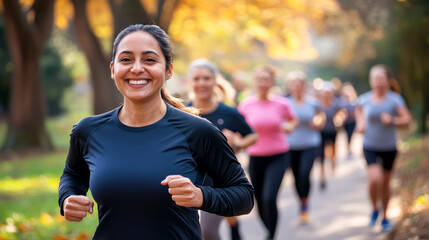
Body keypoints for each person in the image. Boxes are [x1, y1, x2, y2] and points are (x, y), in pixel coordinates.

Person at [58, 24, 254, 240]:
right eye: (126, 59)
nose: (136, 68)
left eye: (149, 60)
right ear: (113, 69)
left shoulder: (198, 131)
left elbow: (244, 195)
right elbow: (73, 174)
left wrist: (201, 196)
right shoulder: (89, 131)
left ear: (168, 70)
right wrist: (68, 197)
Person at [187, 59, 258, 240]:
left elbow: (252, 135)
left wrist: (237, 143)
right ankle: (233, 223)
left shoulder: (229, 113)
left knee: (207, 232)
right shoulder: (181, 112)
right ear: (190, 82)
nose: (201, 83)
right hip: (187, 178)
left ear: (214, 81)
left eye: (206, 78)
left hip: (218, 181)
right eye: (197, 79)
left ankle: (233, 224)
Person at [238, 65, 298, 240]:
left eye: (266, 79)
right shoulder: (245, 105)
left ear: (272, 82)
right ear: (254, 82)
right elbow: (239, 128)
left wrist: (289, 127)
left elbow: (293, 120)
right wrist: (236, 140)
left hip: (278, 156)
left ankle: (271, 235)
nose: (262, 83)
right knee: (260, 201)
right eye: (259, 79)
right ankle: (268, 230)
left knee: (269, 198)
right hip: (255, 157)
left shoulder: (282, 103)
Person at [355, 64, 411, 232]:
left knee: (386, 183)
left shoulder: (395, 99)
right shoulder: (364, 99)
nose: (378, 82)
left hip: (389, 147)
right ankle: (374, 208)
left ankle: (385, 216)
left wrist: (393, 120)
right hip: (370, 146)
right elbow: (359, 114)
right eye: (375, 79)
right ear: (371, 81)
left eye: (381, 78)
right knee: (375, 179)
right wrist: (360, 124)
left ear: (388, 81)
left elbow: (406, 119)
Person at [285, 71, 325, 224]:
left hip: (310, 143)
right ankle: (301, 200)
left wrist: (318, 121)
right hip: (291, 145)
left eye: (299, 83)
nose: (296, 86)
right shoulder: (285, 102)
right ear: (290, 86)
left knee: (304, 173)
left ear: (304, 85)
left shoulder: (313, 102)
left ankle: (305, 201)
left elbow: (321, 116)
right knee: (295, 177)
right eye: (293, 83)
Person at [317, 82, 346, 190]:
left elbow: (342, 112)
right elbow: (316, 115)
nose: (326, 95)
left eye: (328, 93)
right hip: (321, 131)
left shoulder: (335, 104)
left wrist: (338, 118)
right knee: (321, 153)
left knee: (333, 147)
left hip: (332, 130)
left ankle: (333, 160)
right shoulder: (318, 104)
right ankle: (322, 174)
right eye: (324, 93)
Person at [341, 82, 358, 157]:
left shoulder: (354, 102)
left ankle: (349, 147)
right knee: (347, 135)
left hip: (352, 122)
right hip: (346, 122)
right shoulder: (342, 102)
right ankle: (348, 147)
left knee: (350, 135)